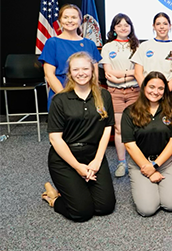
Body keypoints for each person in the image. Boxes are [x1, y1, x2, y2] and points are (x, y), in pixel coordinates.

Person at [41, 52, 116, 222]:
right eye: (76, 69)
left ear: (92, 71)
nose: (81, 73)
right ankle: (53, 198)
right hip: (65, 159)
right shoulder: (59, 100)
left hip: (93, 155)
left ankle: (79, 188)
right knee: (82, 213)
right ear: (70, 73)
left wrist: (97, 160)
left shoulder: (104, 96)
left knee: (105, 207)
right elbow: (55, 139)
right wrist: (78, 167)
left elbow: (107, 128)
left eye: (85, 68)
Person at [121, 72, 172, 216]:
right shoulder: (130, 112)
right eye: (151, 87)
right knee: (147, 209)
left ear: (165, 91)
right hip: (140, 163)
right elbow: (130, 144)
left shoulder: (171, 111)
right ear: (144, 87)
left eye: (160, 88)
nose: (155, 92)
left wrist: (155, 166)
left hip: (165, 162)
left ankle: (158, 185)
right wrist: (148, 169)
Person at [100, 13, 141, 177]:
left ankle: (137, 161)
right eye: (119, 25)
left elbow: (140, 71)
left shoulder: (137, 47)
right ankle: (121, 162)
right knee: (118, 129)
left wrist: (122, 76)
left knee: (136, 128)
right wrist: (131, 73)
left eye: (127, 25)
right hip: (115, 93)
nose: (123, 28)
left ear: (131, 28)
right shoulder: (108, 47)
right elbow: (108, 73)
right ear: (114, 29)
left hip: (134, 92)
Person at [39, 4, 102, 110]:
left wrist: (91, 95)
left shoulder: (89, 44)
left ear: (80, 20)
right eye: (66, 17)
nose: (69, 20)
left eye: (74, 17)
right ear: (60, 20)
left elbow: (95, 75)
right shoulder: (52, 43)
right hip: (61, 92)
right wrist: (65, 98)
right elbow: (49, 75)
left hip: (86, 94)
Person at [132, 12, 172, 93]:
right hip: (146, 90)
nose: (162, 27)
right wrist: (147, 90)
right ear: (153, 26)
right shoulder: (144, 46)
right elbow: (138, 73)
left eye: (165, 24)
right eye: (158, 24)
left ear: (170, 26)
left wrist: (163, 93)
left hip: (167, 92)